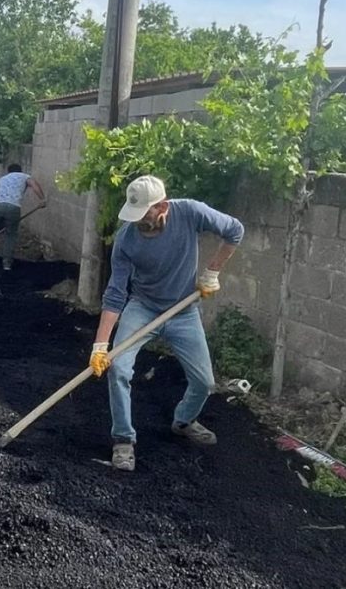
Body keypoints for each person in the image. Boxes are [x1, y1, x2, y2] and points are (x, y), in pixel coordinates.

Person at [87, 175, 243, 472]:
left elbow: (235, 231)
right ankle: (123, 439)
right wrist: (100, 345)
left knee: (204, 382)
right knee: (118, 368)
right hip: (142, 308)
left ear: (162, 206)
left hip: (183, 313)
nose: (138, 221)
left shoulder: (190, 212)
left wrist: (213, 272)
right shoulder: (126, 239)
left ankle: (184, 421)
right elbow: (116, 292)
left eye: (144, 214)